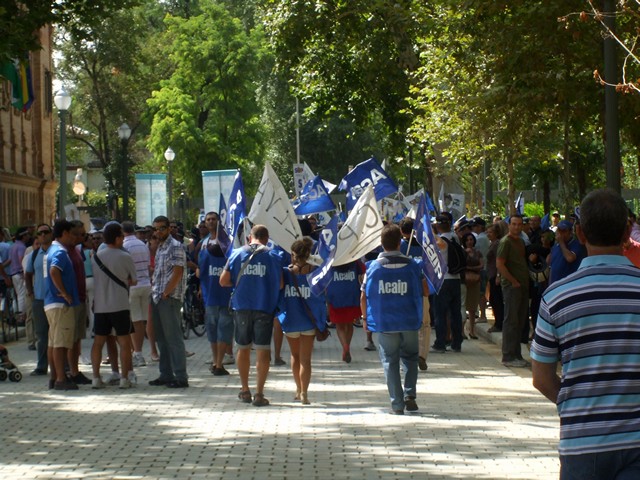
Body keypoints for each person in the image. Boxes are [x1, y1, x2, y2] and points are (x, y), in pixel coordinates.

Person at [531, 189, 640, 478]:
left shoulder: (556, 297)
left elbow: (541, 378)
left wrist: (576, 406)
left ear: (579, 233)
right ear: (627, 231)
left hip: (582, 444)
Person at [360, 224, 428, 414]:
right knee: (411, 358)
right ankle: (410, 394)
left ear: (381, 243)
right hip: (409, 320)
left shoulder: (372, 268)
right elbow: (425, 291)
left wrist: (365, 319)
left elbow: (363, 296)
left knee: (390, 361)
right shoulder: (414, 266)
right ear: (400, 242)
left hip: (385, 322)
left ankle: (397, 405)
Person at [220, 225, 283, 407]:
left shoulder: (237, 253)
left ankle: (245, 389)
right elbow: (280, 284)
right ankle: (259, 394)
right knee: (263, 350)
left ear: (249, 237)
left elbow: (223, 281)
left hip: (241, 307)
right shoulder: (273, 256)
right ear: (267, 238)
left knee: (243, 348)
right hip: (264, 307)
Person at [278, 238, 327, 405]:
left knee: (295, 355)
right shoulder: (316, 272)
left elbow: (279, 289)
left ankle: (298, 389)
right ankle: (305, 393)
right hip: (309, 322)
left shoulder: (285, 272)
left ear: (293, 255)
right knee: (306, 359)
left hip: (290, 320)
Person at [90, 222, 137, 389]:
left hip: (101, 305)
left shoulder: (96, 257)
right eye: (122, 236)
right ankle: (124, 378)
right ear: (117, 238)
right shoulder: (125, 256)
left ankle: (96, 377)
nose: (123, 239)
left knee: (98, 342)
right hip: (120, 304)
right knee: (124, 342)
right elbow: (133, 280)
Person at [148, 215, 189, 389]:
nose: (158, 232)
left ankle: (181, 377)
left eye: (162, 228)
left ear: (169, 228)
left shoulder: (176, 246)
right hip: (157, 297)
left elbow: (178, 272)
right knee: (161, 339)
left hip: (169, 298)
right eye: (155, 229)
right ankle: (165, 374)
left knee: (173, 339)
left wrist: (166, 292)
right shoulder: (160, 247)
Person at [44, 220, 81, 390]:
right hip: (60, 304)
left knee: (53, 342)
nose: (74, 237)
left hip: (51, 302)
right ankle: (60, 378)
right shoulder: (60, 251)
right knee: (61, 343)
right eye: (72, 234)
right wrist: (65, 292)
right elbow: (54, 271)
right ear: (64, 233)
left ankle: (54, 377)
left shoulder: (50, 250)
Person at [198, 211, 233, 376]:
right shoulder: (204, 244)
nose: (211, 222)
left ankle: (219, 362)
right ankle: (216, 362)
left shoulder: (229, 244)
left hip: (224, 296)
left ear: (219, 222)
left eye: (214, 219)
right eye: (208, 219)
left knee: (221, 330)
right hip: (212, 295)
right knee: (215, 330)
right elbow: (201, 270)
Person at [496, 215, 529, 368]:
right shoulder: (505, 242)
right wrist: (513, 281)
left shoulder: (521, 241)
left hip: (522, 286)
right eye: (514, 224)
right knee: (511, 321)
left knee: (519, 321)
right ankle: (508, 356)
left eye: (519, 224)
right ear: (509, 225)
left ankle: (516, 354)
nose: (517, 227)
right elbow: (500, 264)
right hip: (511, 287)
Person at [431, 213, 464, 353]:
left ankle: (440, 343)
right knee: (455, 313)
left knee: (440, 313)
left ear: (438, 225)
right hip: (456, 279)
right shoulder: (455, 238)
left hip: (443, 280)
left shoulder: (439, 241)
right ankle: (457, 343)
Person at [122, 221, 151, 367]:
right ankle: (138, 352)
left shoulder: (124, 246)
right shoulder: (142, 244)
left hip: (133, 286)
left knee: (135, 321)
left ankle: (137, 354)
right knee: (142, 321)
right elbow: (148, 266)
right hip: (146, 284)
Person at [546, 220, 586, 286]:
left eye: (564, 231)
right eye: (559, 230)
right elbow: (549, 262)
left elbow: (570, 258)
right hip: (554, 283)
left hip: (568, 284)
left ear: (570, 232)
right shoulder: (556, 245)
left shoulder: (575, 244)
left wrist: (561, 242)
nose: (561, 233)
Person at [461, 233, 483, 339]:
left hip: (475, 282)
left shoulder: (477, 252)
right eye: (467, 240)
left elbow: (481, 265)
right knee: (463, 306)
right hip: (465, 281)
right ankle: (462, 331)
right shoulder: (462, 252)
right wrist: (474, 268)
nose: (469, 242)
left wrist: (470, 268)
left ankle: (472, 330)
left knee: (473, 307)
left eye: (471, 239)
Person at [485, 224, 504, 333]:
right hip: (491, 274)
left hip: (495, 275)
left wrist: (498, 275)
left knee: (497, 300)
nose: (488, 234)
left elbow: (499, 260)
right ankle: (498, 322)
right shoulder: (492, 243)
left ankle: (499, 323)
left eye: (491, 232)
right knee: (493, 299)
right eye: (487, 232)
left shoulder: (497, 244)